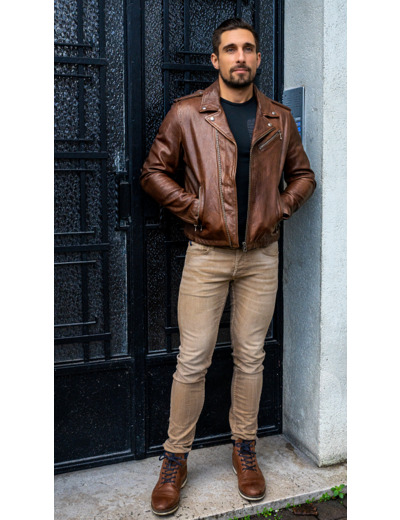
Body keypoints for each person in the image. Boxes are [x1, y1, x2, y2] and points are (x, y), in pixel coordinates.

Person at [140, 17, 316, 516]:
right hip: (206, 254)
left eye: (249, 49)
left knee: (251, 357)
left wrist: (279, 208)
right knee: (192, 360)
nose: (241, 57)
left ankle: (245, 449)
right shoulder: (188, 113)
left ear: (258, 58)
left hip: (261, 255)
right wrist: (196, 209)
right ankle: (175, 458)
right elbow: (153, 172)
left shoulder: (279, 118)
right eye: (231, 49)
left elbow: (303, 175)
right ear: (215, 59)